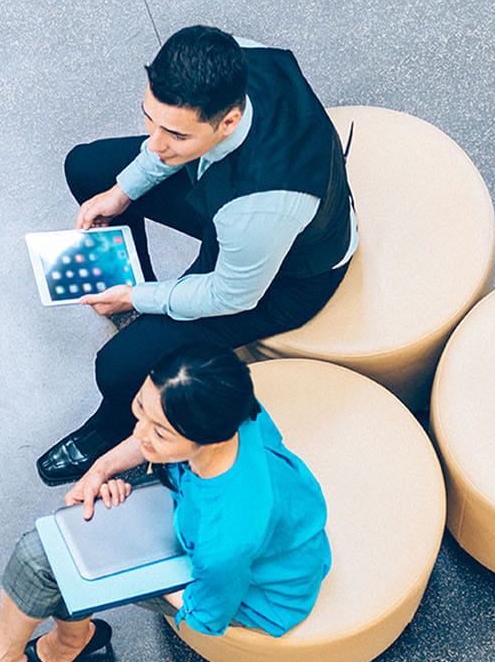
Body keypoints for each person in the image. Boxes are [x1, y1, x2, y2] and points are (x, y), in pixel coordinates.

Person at [36, 25, 356, 481]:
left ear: (227, 120)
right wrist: (121, 193)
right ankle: (144, 297)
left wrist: (137, 298)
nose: (156, 142)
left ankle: (111, 428)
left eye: (176, 136)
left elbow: (230, 296)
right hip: (236, 206)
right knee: (87, 168)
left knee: (118, 366)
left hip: (286, 277)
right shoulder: (235, 57)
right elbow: (165, 147)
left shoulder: (257, 211)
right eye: (151, 119)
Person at [0, 348, 330, 662]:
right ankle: (64, 642)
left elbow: (205, 615)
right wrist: (101, 470)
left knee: (58, 564)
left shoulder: (228, 537)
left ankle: (24, 656)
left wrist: (132, 571)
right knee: (65, 556)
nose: (140, 434)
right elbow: (157, 442)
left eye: (160, 433)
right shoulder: (229, 406)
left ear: (210, 438)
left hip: (253, 590)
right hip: (242, 533)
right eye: (140, 410)